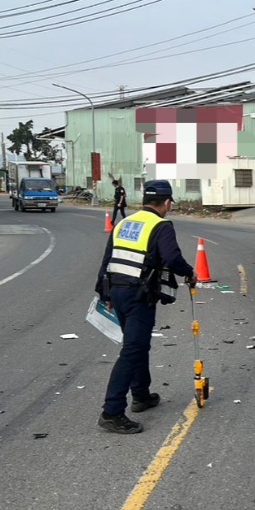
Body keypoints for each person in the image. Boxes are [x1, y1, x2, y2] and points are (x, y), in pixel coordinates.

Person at [94, 180, 197, 434]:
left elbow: (108, 258)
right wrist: (189, 273)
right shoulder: (161, 226)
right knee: (133, 349)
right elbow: (172, 258)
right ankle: (112, 412)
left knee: (136, 344)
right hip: (138, 295)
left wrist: (103, 292)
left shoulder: (124, 223)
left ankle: (141, 395)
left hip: (117, 291)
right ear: (167, 203)